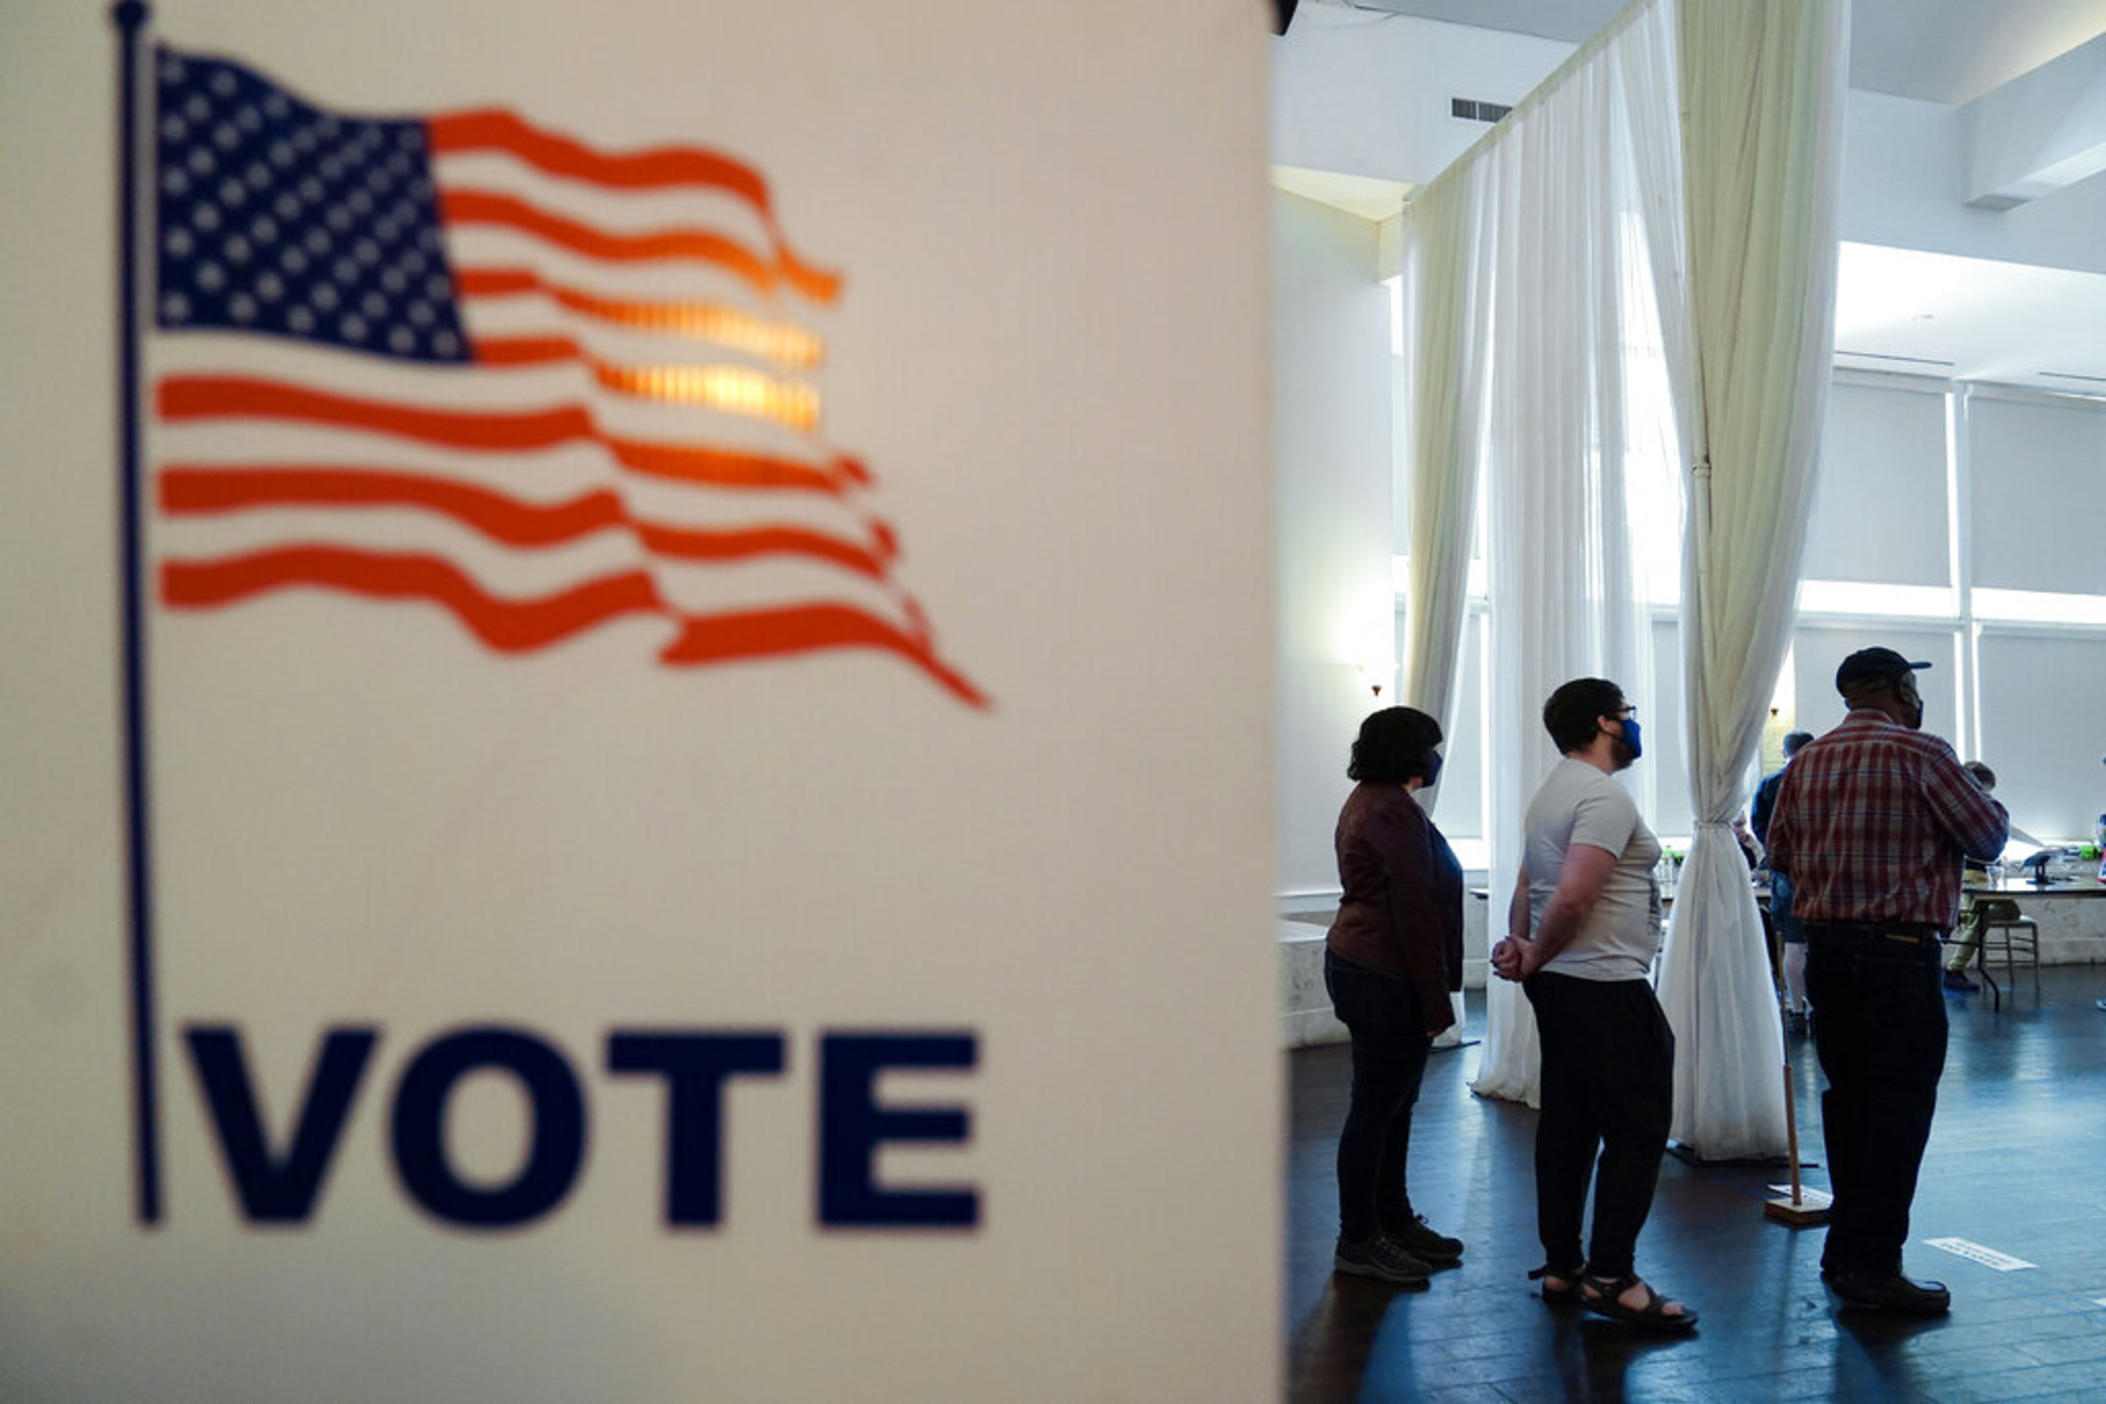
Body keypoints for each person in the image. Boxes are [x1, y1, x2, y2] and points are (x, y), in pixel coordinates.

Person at [1767, 647, 2008, 1317]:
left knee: (1848, 1104)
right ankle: (1875, 1266)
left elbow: (1779, 854)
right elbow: (1988, 839)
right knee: (1899, 1113)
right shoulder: (1925, 753)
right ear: (1904, 689)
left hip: (1827, 955)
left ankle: (1845, 1251)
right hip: (1899, 955)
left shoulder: (1805, 762)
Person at [1491, 678, 1696, 1333]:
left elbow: (1530, 883)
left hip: (1566, 984)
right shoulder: (1601, 795)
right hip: (1604, 985)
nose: (1634, 727)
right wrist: (1536, 954)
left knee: (1569, 1125)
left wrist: (1525, 949)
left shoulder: (1553, 790)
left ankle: (1562, 1267)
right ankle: (1612, 1278)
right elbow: (1574, 897)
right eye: (1629, 716)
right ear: (1606, 723)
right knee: (1638, 1131)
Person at [1324, 706, 1467, 1286]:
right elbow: (1413, 910)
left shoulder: (1381, 801)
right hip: (1382, 972)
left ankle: (1393, 1220)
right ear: (1407, 751)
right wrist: (1436, 1001)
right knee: (1375, 1109)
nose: (1436, 757)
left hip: (1375, 966)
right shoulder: (1387, 810)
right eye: (1430, 746)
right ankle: (1359, 1240)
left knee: (1394, 1106)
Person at [1753, 731, 1816, 1031]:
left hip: (1787, 875)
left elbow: (1760, 825)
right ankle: (1822, 1008)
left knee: (1793, 944)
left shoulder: (1770, 783)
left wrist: (1778, 858)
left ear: (1784, 751)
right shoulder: (1825, 778)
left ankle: (1796, 1009)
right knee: (1824, 944)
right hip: (1825, 871)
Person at [1940, 761, 2003, 991]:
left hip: (1977, 874)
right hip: (1970, 874)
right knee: (1982, 916)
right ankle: (1954, 969)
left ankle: (1953, 919)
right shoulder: (1965, 810)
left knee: (2001, 911)